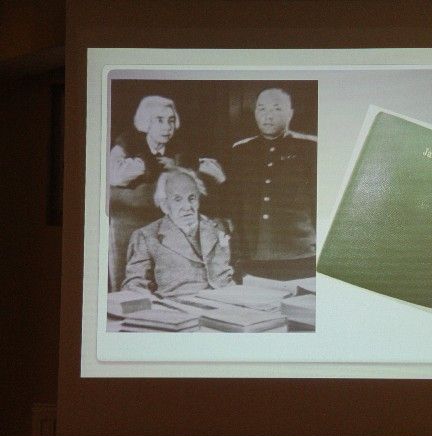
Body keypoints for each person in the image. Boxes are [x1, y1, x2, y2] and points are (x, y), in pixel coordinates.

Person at [108, 95, 225, 290]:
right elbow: (112, 175)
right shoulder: (128, 142)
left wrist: (180, 166)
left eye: (171, 121)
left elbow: (216, 175)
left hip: (169, 227)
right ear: (146, 122)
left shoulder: (179, 147)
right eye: (160, 120)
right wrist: (152, 165)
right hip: (130, 224)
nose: (167, 127)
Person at [225, 88, 316, 281]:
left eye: (276, 109)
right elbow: (235, 205)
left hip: (299, 254)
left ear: (290, 113)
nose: (268, 116)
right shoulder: (241, 151)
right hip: (254, 256)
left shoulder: (310, 148)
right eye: (262, 109)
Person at [122, 168, 233, 297]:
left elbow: (231, 275)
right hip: (175, 304)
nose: (187, 207)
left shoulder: (217, 228)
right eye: (178, 199)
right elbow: (134, 285)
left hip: (220, 300)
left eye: (192, 198)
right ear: (165, 205)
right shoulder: (146, 236)